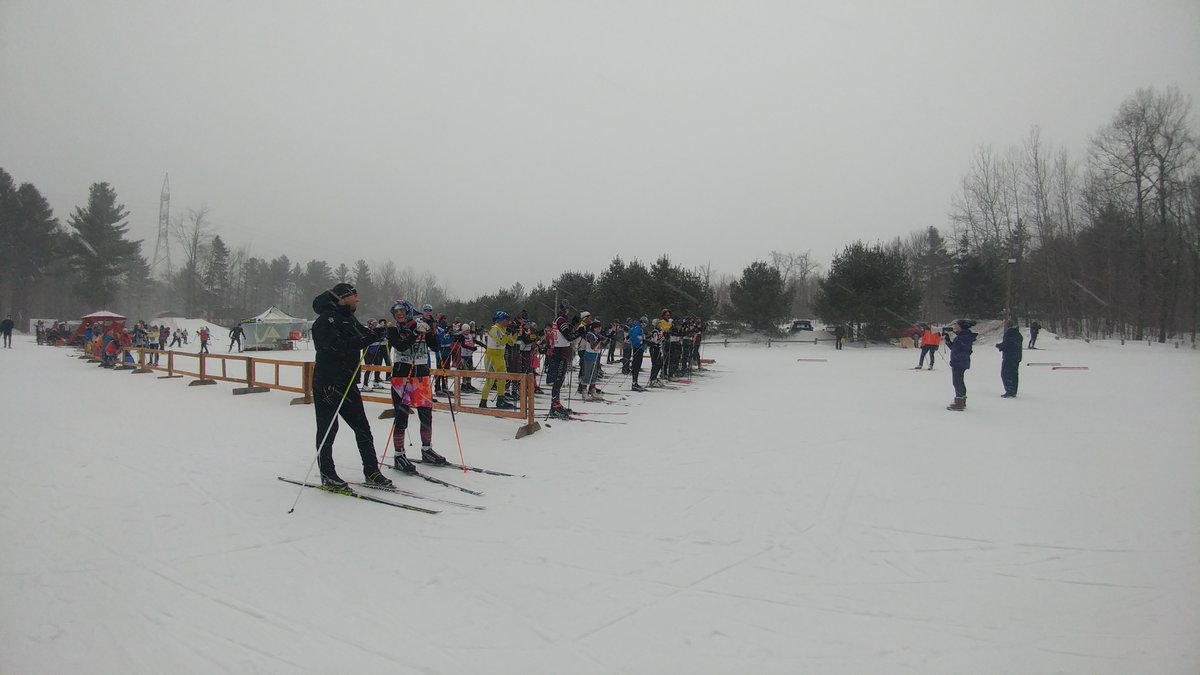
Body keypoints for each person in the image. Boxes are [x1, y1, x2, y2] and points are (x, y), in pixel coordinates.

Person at [310, 283, 394, 491]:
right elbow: (334, 347)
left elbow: (363, 335)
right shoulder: (324, 321)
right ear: (343, 297)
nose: (358, 299)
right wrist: (364, 339)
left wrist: (378, 333)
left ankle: (372, 471)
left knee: (362, 428)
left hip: (348, 383)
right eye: (354, 295)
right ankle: (328, 474)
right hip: (328, 383)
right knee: (329, 429)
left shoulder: (349, 317)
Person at [385, 300, 449, 474]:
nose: (399, 314)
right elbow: (401, 345)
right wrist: (414, 333)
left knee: (426, 414)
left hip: (421, 376)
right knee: (401, 416)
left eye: (402, 310)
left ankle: (427, 449)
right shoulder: (393, 329)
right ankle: (399, 455)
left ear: (409, 311)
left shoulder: (420, 325)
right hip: (402, 377)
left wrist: (432, 331)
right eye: (396, 311)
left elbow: (435, 347)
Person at [545, 299, 583, 418]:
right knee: (559, 378)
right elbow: (568, 336)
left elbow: (565, 332)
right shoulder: (561, 320)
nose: (567, 311)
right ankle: (554, 405)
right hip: (560, 352)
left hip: (561, 351)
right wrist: (579, 332)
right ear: (566, 309)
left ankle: (556, 403)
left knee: (560, 377)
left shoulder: (560, 319)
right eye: (567, 309)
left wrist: (573, 324)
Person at [479, 310, 517, 409]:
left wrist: (514, 332)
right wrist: (508, 333)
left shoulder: (503, 329)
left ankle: (500, 399)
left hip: (500, 356)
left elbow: (512, 343)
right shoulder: (494, 329)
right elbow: (501, 342)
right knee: (490, 380)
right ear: (501, 319)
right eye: (507, 319)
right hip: (492, 356)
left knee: (502, 379)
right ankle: (483, 402)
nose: (508, 321)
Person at [946, 319, 977, 411]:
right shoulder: (962, 337)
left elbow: (965, 351)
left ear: (962, 327)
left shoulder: (964, 337)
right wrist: (948, 341)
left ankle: (959, 402)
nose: (955, 327)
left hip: (959, 363)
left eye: (957, 326)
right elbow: (955, 348)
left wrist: (956, 359)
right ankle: (961, 400)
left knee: (957, 382)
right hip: (959, 362)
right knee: (959, 381)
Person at [997, 319, 1023, 398]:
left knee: (1006, 374)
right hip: (1016, 357)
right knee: (1014, 374)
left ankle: (1009, 391)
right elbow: (1013, 344)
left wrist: (1000, 346)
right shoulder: (1018, 333)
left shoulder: (1009, 333)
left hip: (1009, 357)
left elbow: (1008, 344)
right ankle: (1013, 390)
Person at [580, 321, 604, 400]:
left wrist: (604, 340)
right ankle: (584, 391)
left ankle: (592, 390)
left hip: (595, 356)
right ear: (594, 328)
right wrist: (599, 340)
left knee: (594, 374)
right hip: (589, 356)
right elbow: (593, 345)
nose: (599, 329)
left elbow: (601, 345)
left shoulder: (597, 335)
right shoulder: (590, 335)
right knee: (587, 374)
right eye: (598, 328)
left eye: (600, 328)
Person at [629, 316, 647, 391]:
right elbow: (634, 337)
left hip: (639, 348)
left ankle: (635, 382)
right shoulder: (637, 328)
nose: (645, 325)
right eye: (645, 323)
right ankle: (634, 383)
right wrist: (642, 341)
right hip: (637, 348)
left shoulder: (638, 328)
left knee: (637, 365)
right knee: (636, 365)